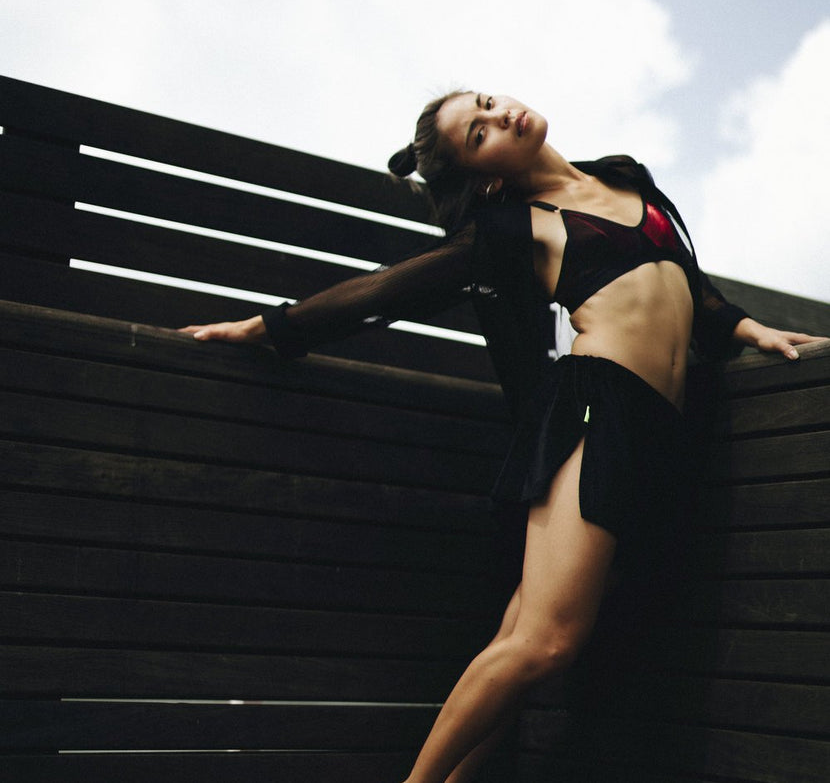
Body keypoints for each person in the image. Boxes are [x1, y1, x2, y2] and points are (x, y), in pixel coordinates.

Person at [181, 90, 822, 783]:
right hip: (596, 410)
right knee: (547, 644)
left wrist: (748, 329)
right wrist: (268, 328)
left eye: (487, 104)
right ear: (485, 177)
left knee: (521, 639)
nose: (499, 116)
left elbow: (687, 283)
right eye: (478, 133)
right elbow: (390, 291)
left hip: (659, 427)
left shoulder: (624, 175)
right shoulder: (513, 226)